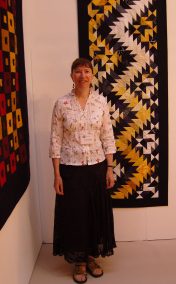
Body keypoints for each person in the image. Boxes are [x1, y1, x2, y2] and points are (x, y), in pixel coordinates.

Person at [49, 58, 116, 283]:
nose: (83, 76)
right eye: (78, 72)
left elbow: (107, 136)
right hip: (71, 169)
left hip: (97, 167)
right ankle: (78, 260)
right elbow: (55, 140)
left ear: (92, 75)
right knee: (76, 214)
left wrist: (109, 168)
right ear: (71, 76)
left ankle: (90, 256)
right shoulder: (61, 104)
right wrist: (57, 174)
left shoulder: (101, 103)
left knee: (94, 213)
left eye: (87, 71)